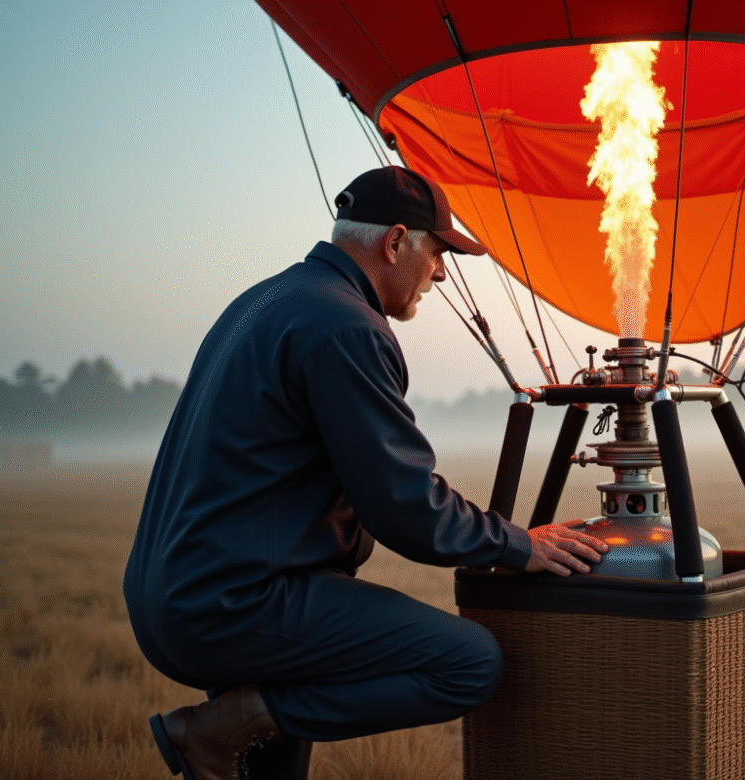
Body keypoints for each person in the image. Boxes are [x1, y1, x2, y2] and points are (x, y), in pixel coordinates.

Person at [123, 166, 608, 780]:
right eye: (438, 254)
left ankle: (230, 727)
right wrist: (519, 545)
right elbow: (403, 503)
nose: (440, 273)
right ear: (396, 242)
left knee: (261, 747)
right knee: (469, 663)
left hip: (171, 595)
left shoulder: (265, 301)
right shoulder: (346, 326)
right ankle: (215, 728)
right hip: (236, 604)